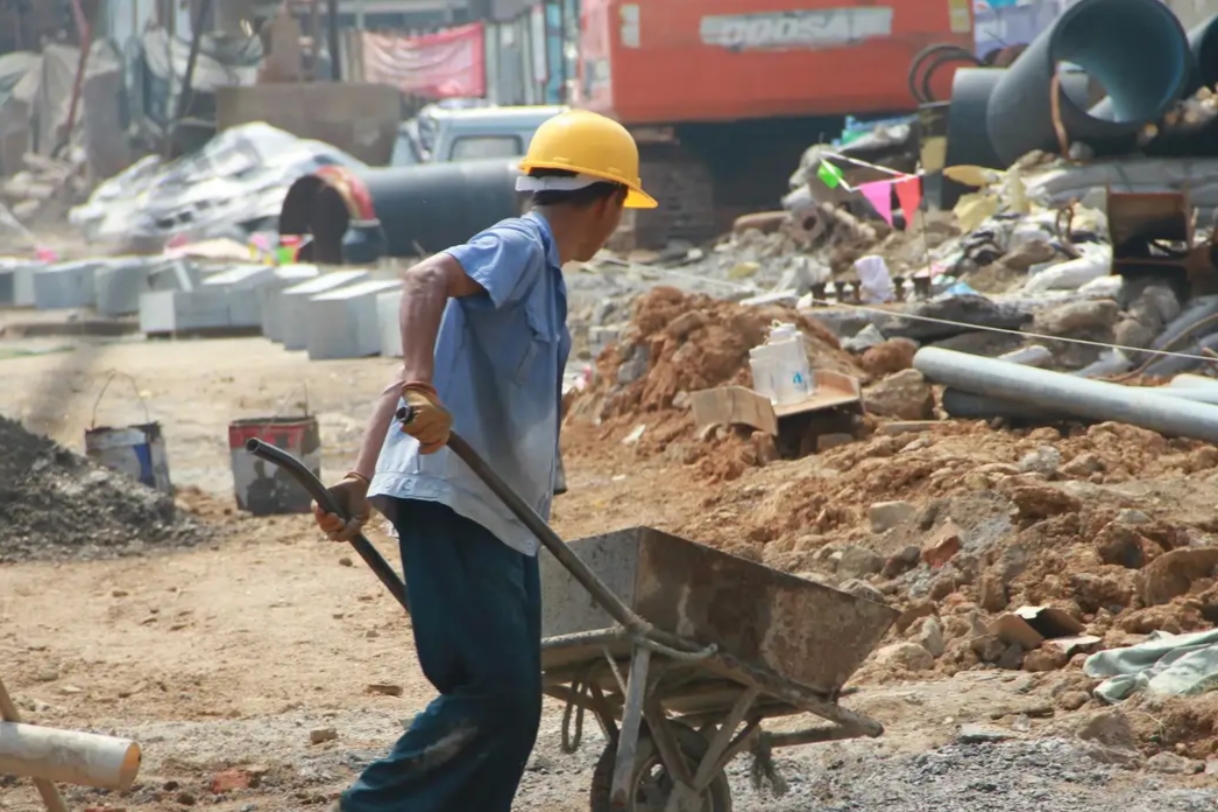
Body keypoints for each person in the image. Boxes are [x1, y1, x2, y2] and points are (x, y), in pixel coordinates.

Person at [313, 109, 657, 812]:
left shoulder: (543, 276)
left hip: (497, 516)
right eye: (622, 210)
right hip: (461, 504)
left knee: (509, 703)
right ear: (608, 201)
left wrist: (360, 473)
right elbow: (422, 281)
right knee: (495, 697)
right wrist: (417, 386)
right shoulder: (522, 245)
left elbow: (426, 361)